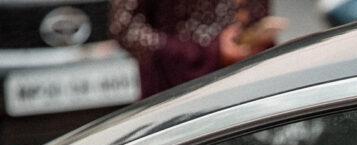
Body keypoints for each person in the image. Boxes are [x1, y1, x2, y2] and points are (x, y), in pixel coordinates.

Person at [110, 0, 283, 98]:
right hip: (179, 95)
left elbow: (254, 10)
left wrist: (253, 36)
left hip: (244, 84)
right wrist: (208, 53)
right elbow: (125, 28)